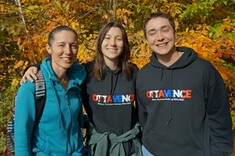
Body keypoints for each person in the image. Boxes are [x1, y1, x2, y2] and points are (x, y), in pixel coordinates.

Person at [20, 22, 142, 156]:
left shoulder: (134, 73)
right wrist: (34, 67)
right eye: (107, 38)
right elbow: (59, 66)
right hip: (99, 148)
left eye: (118, 39)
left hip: (129, 148)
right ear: (100, 42)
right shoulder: (84, 73)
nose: (112, 43)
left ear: (124, 44)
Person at [136, 12, 234, 156]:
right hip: (151, 152)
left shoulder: (203, 70)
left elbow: (220, 118)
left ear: (174, 32)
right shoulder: (143, 75)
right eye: (152, 32)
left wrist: (219, 152)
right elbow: (143, 118)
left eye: (165, 29)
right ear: (147, 39)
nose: (160, 37)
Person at [15, 25, 87, 156]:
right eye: (61, 45)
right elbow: (21, 135)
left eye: (73, 45)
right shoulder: (32, 85)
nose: (68, 51)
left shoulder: (77, 81)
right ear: (49, 48)